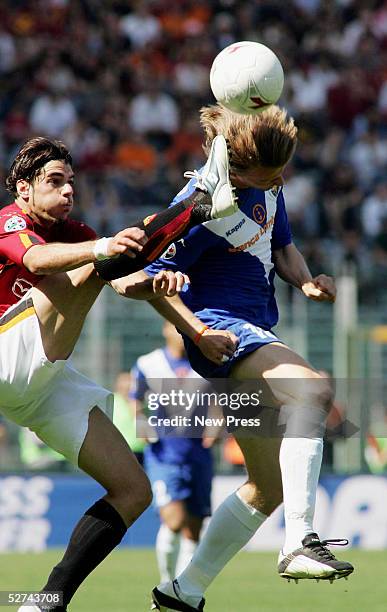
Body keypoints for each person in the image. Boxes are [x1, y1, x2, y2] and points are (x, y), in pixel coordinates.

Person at [0, 135, 239, 612]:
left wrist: (178, 308)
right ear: (24, 189)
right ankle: (194, 204)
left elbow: (127, 279)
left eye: (71, 182)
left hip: (42, 384)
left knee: (133, 491)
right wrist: (104, 248)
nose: (68, 191)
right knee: (97, 259)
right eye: (54, 181)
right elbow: (37, 260)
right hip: (4, 354)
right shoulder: (11, 221)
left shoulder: (81, 234)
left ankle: (46, 600)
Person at [141, 104, 354, 612]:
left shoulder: (269, 186)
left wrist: (305, 281)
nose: (281, 179)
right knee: (312, 389)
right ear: (236, 169)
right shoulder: (199, 203)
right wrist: (195, 331)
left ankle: (182, 591)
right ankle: (300, 542)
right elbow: (148, 277)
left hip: (253, 331)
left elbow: (283, 247)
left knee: (267, 487)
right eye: (271, 173)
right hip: (220, 331)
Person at [131, 321, 215, 583]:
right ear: (166, 329)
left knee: (193, 529)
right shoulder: (149, 363)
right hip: (163, 453)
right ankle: (166, 583)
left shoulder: (206, 363)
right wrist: (140, 421)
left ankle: (180, 588)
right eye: (175, 327)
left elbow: (220, 397)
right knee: (174, 520)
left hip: (198, 454)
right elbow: (135, 397)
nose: (180, 333)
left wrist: (217, 423)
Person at [113, 371, 147, 466]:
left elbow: (146, 434)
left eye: (130, 381)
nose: (128, 385)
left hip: (140, 452)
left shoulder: (139, 403)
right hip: (118, 451)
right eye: (124, 381)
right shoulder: (111, 400)